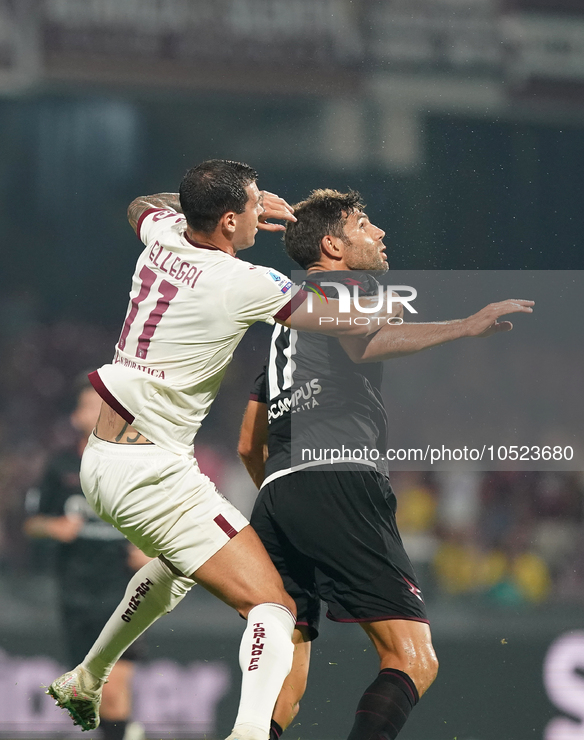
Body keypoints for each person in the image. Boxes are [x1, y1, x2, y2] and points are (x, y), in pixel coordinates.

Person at [46, 161, 389, 740]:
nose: (264, 212)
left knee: (178, 569)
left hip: (107, 459)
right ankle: (249, 734)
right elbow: (338, 319)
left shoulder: (163, 234)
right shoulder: (243, 282)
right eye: (256, 205)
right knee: (275, 608)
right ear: (229, 220)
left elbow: (141, 205)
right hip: (149, 471)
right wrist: (393, 302)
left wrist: (206, 204)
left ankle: (88, 675)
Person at [237, 188, 534, 740]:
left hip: (276, 492)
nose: (379, 234)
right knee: (413, 658)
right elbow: (366, 344)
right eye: (364, 224)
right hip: (339, 476)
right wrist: (464, 326)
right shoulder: (346, 287)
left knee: (284, 670)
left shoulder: (287, 326)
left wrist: (291, 494)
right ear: (333, 245)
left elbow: (247, 445)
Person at [25, 375, 149, 740]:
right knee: (89, 697)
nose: (95, 414)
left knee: (114, 689)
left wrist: (151, 552)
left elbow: (165, 521)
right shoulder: (59, 465)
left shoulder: (133, 465)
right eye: (88, 407)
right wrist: (53, 527)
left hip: (126, 593)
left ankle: (126, 731)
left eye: (103, 408)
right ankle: (127, 733)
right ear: (75, 417)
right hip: (75, 592)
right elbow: (31, 523)